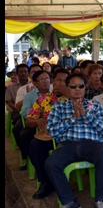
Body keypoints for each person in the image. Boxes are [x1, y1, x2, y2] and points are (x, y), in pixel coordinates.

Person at [45, 72, 103, 208]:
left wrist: (85, 115)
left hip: (91, 144)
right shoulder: (59, 107)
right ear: (67, 89)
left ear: (85, 87)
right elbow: (53, 131)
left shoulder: (94, 105)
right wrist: (73, 118)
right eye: (73, 86)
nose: (77, 89)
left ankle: (100, 201)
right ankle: (69, 202)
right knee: (51, 163)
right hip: (67, 145)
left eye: (80, 85)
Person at [27, 69, 69, 199]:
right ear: (53, 81)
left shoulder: (74, 98)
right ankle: (45, 182)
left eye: (65, 81)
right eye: (59, 80)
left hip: (69, 138)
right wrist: (38, 120)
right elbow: (28, 120)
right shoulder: (42, 100)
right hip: (48, 137)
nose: (61, 83)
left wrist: (68, 94)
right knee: (35, 145)